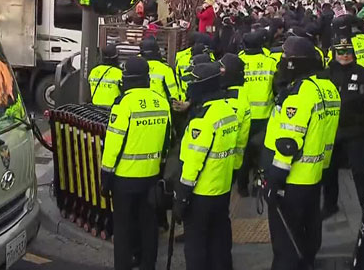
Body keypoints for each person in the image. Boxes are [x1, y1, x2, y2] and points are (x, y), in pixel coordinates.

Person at [264, 37, 340, 270]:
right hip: (314, 175)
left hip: (292, 179)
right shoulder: (328, 88)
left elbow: (289, 140)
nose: (282, 62)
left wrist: (275, 180)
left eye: (286, 57)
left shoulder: (299, 93)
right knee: (308, 232)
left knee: (286, 243)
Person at [100, 56, 171, 270]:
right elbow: (167, 141)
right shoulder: (162, 101)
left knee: (123, 228)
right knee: (148, 225)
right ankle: (147, 264)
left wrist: (105, 177)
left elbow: (113, 146)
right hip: (151, 176)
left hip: (124, 179)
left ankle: (124, 265)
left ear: (126, 78)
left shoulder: (124, 105)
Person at [173, 63, 239, 270]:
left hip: (200, 194)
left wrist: (181, 197)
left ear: (202, 87)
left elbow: (193, 165)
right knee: (219, 243)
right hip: (222, 189)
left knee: (196, 249)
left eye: (192, 84)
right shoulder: (227, 110)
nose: (188, 88)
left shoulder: (202, 120)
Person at [321, 35, 364, 218]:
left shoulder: (363, 73)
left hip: (356, 132)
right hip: (332, 131)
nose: (344, 55)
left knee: (360, 173)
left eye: (348, 51)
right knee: (328, 171)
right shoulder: (326, 74)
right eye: (340, 51)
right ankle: (330, 205)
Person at [237, 29, 278, 196]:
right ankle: (259, 185)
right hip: (265, 116)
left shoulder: (238, 61)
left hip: (243, 115)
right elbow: (276, 87)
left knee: (243, 152)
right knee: (263, 154)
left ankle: (241, 187)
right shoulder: (270, 62)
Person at [219, 53, 252, 184]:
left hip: (227, 164)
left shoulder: (235, 100)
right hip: (227, 163)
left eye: (222, 69)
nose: (219, 71)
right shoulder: (233, 91)